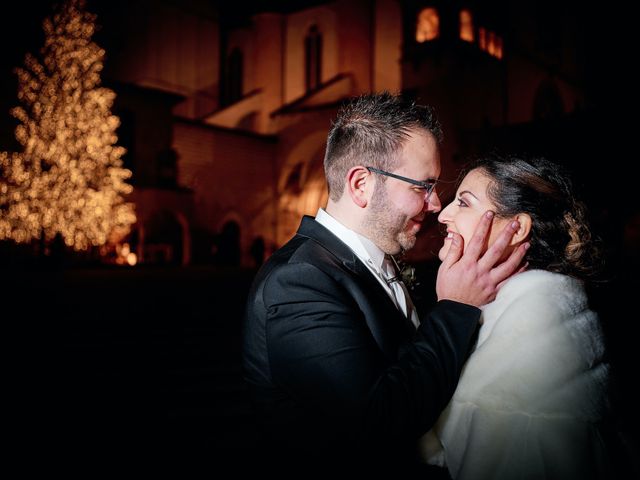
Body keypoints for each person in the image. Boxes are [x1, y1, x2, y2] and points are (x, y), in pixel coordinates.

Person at [242, 92, 528, 475]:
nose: (434, 206)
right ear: (361, 184)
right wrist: (456, 308)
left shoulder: (372, 261)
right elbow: (377, 421)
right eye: (422, 186)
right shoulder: (299, 281)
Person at [418, 154, 611, 479]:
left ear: (517, 227)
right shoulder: (512, 306)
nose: (444, 215)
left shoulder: (534, 324)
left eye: (464, 203)